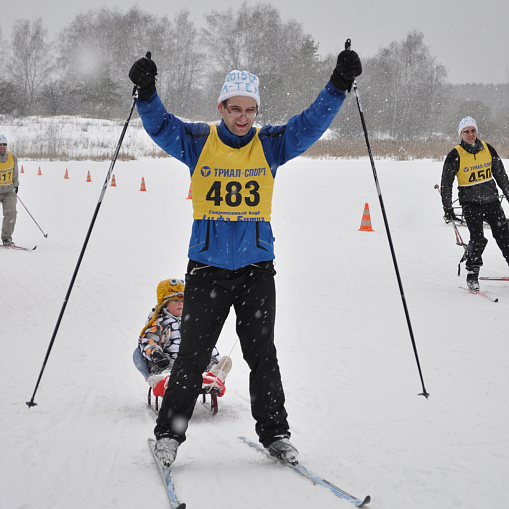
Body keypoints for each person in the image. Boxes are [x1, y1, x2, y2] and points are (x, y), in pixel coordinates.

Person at [128, 45, 362, 467]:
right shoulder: (198, 141)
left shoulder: (272, 144)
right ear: (221, 107)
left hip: (256, 268)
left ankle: (275, 434)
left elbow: (310, 124)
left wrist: (338, 85)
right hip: (207, 269)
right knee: (193, 356)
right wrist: (146, 92)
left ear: (256, 110)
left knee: (262, 354)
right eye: (234, 108)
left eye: (249, 109)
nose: (242, 116)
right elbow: (161, 126)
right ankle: (168, 435)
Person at [441, 116, 509, 291]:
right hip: (471, 203)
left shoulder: (488, 149)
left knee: (504, 235)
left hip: (492, 200)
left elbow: (501, 176)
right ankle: (472, 274)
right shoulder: (455, 154)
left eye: (472, 130)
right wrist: (447, 206)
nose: (470, 134)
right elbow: (446, 183)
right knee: (477, 238)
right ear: (461, 134)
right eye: (466, 131)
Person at [133, 278, 231, 398]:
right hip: (168, 362)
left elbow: (205, 343)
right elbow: (148, 341)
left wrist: (213, 357)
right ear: (164, 303)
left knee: (206, 354)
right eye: (175, 300)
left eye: (183, 300)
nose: (180, 304)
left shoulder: (192, 322)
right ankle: (166, 379)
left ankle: (213, 374)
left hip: (192, 363)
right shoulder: (159, 323)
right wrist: (156, 354)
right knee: (170, 366)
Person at [0, 134, 19, 246]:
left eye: (4, 144)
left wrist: (16, 186)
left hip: (8, 191)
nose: (2, 146)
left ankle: (6, 238)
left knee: (11, 212)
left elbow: (15, 172)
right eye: (0, 144)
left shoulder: (12, 156)